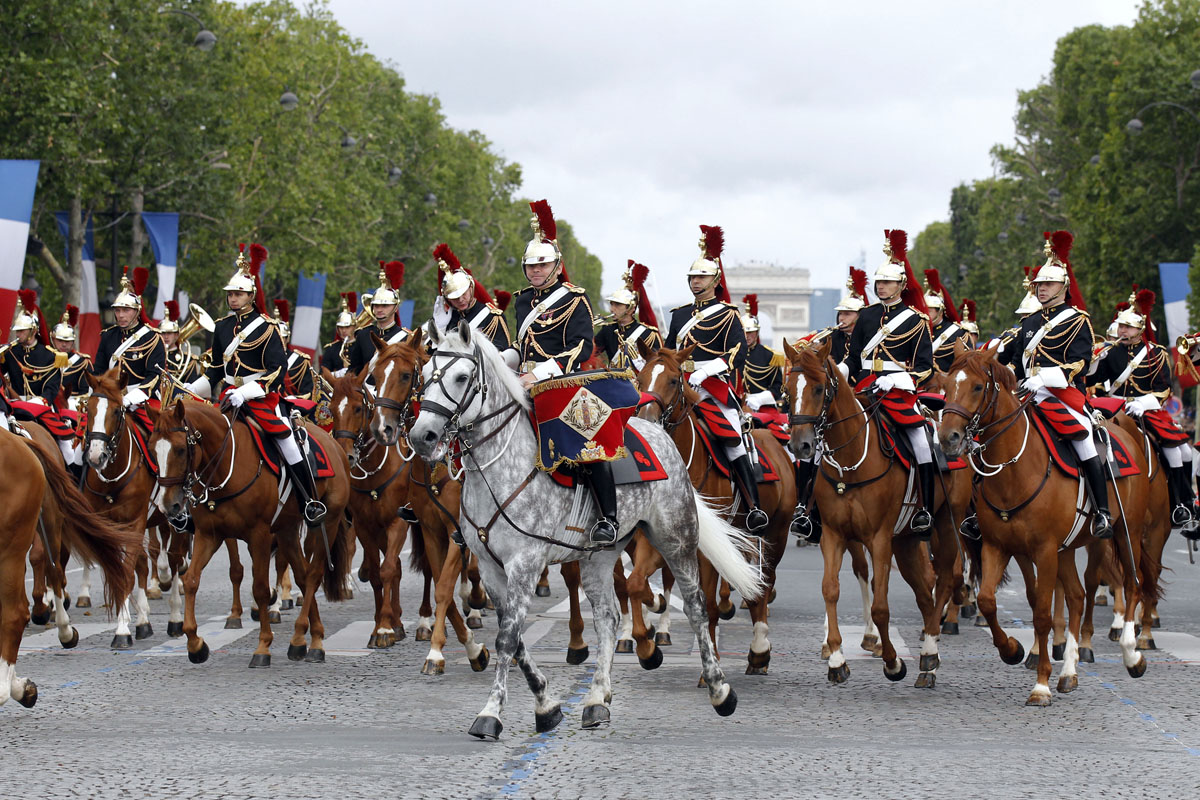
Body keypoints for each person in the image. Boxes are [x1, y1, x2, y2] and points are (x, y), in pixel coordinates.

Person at [514, 199, 630, 546]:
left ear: (555, 265)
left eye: (542, 265)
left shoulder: (574, 299)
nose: (535, 272)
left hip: (563, 380)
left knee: (589, 441)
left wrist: (543, 372)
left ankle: (608, 518)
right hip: (524, 379)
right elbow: (520, 345)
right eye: (530, 267)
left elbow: (582, 346)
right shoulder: (521, 301)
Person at [183, 243, 326, 525]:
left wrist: (245, 392)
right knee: (192, 437)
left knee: (287, 439)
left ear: (251, 296)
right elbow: (213, 371)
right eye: (230, 294)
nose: (233, 298)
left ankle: (309, 500)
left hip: (260, 398)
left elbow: (275, 372)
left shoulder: (267, 327)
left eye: (238, 294)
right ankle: (188, 504)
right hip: (226, 397)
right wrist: (188, 392)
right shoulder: (222, 327)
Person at [998, 231, 1111, 539]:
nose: (1042, 289)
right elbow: (1010, 358)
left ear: (1063, 286)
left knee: (1084, 440)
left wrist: (1042, 378)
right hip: (1025, 394)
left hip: (1060, 394)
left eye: (1047, 284)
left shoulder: (1077, 320)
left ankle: (1102, 511)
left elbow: (1079, 363)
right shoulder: (1029, 322)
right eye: (1039, 285)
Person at [665, 224, 767, 534]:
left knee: (734, 440)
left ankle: (753, 506)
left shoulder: (728, 314)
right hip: (681, 386)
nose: (696, 282)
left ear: (715, 280)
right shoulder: (680, 315)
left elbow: (738, 353)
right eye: (692, 277)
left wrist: (708, 370)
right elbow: (671, 349)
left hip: (712, 388)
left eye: (702, 277)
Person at [844, 229, 937, 536]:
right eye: (879, 282)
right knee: (826, 434)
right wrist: (842, 373)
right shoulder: (866, 317)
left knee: (922, 443)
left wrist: (897, 379)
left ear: (901, 285)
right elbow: (854, 356)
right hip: (864, 389)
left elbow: (925, 369)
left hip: (898, 393)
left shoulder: (916, 320)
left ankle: (924, 508)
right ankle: (811, 508)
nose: (881, 287)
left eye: (887, 283)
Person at [1088, 287, 1196, 532]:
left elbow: (1164, 390)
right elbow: (1093, 383)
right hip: (1114, 409)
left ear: (1139, 329)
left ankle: (1182, 503)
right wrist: (1094, 362)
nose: (1122, 331)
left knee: (1180, 453)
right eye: (1120, 326)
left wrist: (1142, 403)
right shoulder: (1109, 352)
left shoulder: (1156, 354)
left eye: (1127, 327)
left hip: (1147, 409)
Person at [790, 267, 867, 541]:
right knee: (813, 451)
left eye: (848, 314)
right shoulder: (830, 338)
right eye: (840, 314)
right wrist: (809, 344)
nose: (842, 318)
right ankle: (804, 507)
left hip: (866, 397)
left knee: (919, 441)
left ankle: (921, 507)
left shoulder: (871, 338)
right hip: (833, 404)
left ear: (860, 317)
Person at [2, 290, 78, 468]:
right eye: (17, 331)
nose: (18, 334)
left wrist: (38, 402)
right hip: (15, 404)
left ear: (33, 331)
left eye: (22, 331)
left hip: (41, 405)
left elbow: (52, 388)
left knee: (67, 447)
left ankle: (72, 479)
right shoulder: (11, 352)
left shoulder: (50, 356)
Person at [92, 267, 166, 429]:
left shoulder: (152, 338)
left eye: (126, 310)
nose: (120, 315)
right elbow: (99, 371)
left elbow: (154, 376)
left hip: (142, 401)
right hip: (110, 400)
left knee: (156, 439)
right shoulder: (108, 336)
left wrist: (131, 398)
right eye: (117, 310)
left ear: (137, 311)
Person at [429, 243, 511, 352]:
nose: (460, 300)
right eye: (455, 298)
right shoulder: (445, 320)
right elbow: (430, 356)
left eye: (464, 294)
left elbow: (501, 353)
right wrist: (441, 328)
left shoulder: (492, 317)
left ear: (471, 288)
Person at [594, 261, 662, 371]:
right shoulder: (607, 330)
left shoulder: (648, 334)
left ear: (631, 309)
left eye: (617, 305)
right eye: (611, 304)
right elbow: (590, 353)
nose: (612, 309)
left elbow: (658, 366)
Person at [348, 262, 410, 378]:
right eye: (376, 306)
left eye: (384, 306)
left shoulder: (405, 337)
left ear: (395, 308)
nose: (379, 309)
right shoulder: (363, 334)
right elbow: (353, 370)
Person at [740, 294, 785, 411]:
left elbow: (778, 387)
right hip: (736, 405)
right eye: (744, 332)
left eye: (751, 332)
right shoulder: (731, 354)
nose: (747, 336)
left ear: (757, 333)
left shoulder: (769, 356)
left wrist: (760, 399)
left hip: (762, 406)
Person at [923, 269, 972, 373]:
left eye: (929, 311)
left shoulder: (958, 333)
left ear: (940, 312)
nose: (924, 314)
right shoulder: (918, 330)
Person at [51, 304, 93, 402]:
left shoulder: (83, 362)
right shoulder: (45, 359)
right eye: (60, 341)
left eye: (67, 342)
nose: (64, 345)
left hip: (73, 405)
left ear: (73, 342)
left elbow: (86, 392)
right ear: (53, 340)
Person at [273, 299, 315, 399]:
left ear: (287, 339)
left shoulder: (299, 362)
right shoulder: (260, 358)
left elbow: (307, 392)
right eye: (274, 338)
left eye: (282, 338)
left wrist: (294, 399)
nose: (278, 341)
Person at [159, 300, 202, 386]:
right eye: (163, 333)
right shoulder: (153, 356)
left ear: (176, 335)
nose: (166, 336)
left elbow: (192, 386)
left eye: (169, 333)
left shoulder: (188, 360)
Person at [321, 293, 357, 376]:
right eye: (341, 327)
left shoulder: (361, 345)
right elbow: (322, 374)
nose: (343, 330)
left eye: (347, 327)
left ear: (354, 327)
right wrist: (337, 374)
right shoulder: (332, 349)